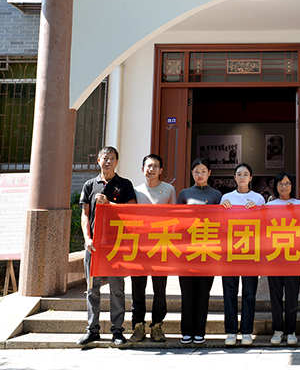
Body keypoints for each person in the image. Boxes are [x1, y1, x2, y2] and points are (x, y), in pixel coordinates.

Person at [77, 146, 137, 346]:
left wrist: (110, 204)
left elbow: (133, 211)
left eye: (112, 158)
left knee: (116, 289)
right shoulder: (89, 185)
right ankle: (92, 329)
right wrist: (87, 238)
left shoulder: (125, 184)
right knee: (92, 289)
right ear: (98, 160)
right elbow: (85, 215)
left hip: (116, 245)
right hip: (94, 246)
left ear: (117, 162)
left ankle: (117, 330)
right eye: (105, 158)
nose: (108, 161)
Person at [130, 154, 176, 344]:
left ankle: (157, 326)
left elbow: (175, 217)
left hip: (160, 246)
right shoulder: (135, 191)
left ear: (161, 170)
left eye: (156, 166)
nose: (152, 169)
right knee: (137, 289)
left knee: (159, 288)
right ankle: (138, 326)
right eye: (148, 166)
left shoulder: (169, 190)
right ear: (143, 169)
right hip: (139, 247)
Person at [176, 158, 222, 345]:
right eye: (196, 171)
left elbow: (221, 221)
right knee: (187, 292)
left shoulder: (217, 195)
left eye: (203, 171)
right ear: (192, 173)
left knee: (203, 293)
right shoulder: (184, 194)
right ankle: (187, 331)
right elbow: (176, 220)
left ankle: (199, 331)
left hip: (207, 251)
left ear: (209, 173)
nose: (200, 175)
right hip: (186, 251)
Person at [220, 162, 265, 347]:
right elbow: (220, 225)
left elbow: (264, 225)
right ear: (234, 177)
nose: (242, 177)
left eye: (245, 174)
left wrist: (258, 211)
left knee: (249, 292)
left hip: (251, 252)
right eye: (239, 174)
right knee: (229, 292)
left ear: (251, 178)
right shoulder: (226, 197)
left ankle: (247, 331)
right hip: (230, 251)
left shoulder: (258, 199)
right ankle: (231, 331)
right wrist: (223, 210)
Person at [266, 172, 300, 346]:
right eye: (280, 183)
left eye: (287, 183)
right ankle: (277, 330)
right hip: (274, 255)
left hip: (293, 256)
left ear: (292, 185)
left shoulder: (299, 204)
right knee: (275, 294)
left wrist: (294, 212)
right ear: (276, 186)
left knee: (292, 294)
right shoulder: (269, 205)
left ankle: (291, 330)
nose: (284, 187)